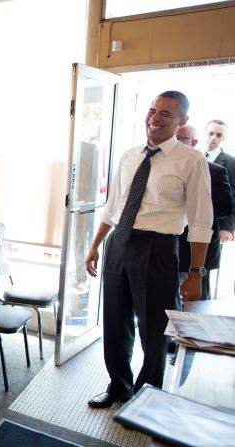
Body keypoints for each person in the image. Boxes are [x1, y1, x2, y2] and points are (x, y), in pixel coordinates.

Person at [85, 91, 212, 409]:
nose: (155, 117)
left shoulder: (191, 160)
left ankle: (146, 397)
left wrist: (196, 273)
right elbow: (112, 208)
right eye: (153, 110)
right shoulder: (129, 156)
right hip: (120, 243)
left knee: (154, 329)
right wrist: (96, 246)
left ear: (182, 121)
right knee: (115, 322)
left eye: (166, 113)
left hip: (157, 248)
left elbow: (200, 220)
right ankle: (119, 386)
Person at [176, 125, 233, 300]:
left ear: (193, 142)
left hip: (198, 246)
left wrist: (197, 208)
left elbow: (225, 206)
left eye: (181, 139)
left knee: (194, 301)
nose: (176, 143)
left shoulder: (215, 170)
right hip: (168, 245)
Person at [202, 119, 235, 244]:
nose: (213, 138)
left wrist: (227, 227)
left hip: (216, 222)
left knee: (207, 262)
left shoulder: (232, 163)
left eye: (219, 135)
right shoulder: (193, 156)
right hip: (188, 220)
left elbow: (233, 196)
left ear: (224, 138)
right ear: (204, 133)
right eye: (211, 133)